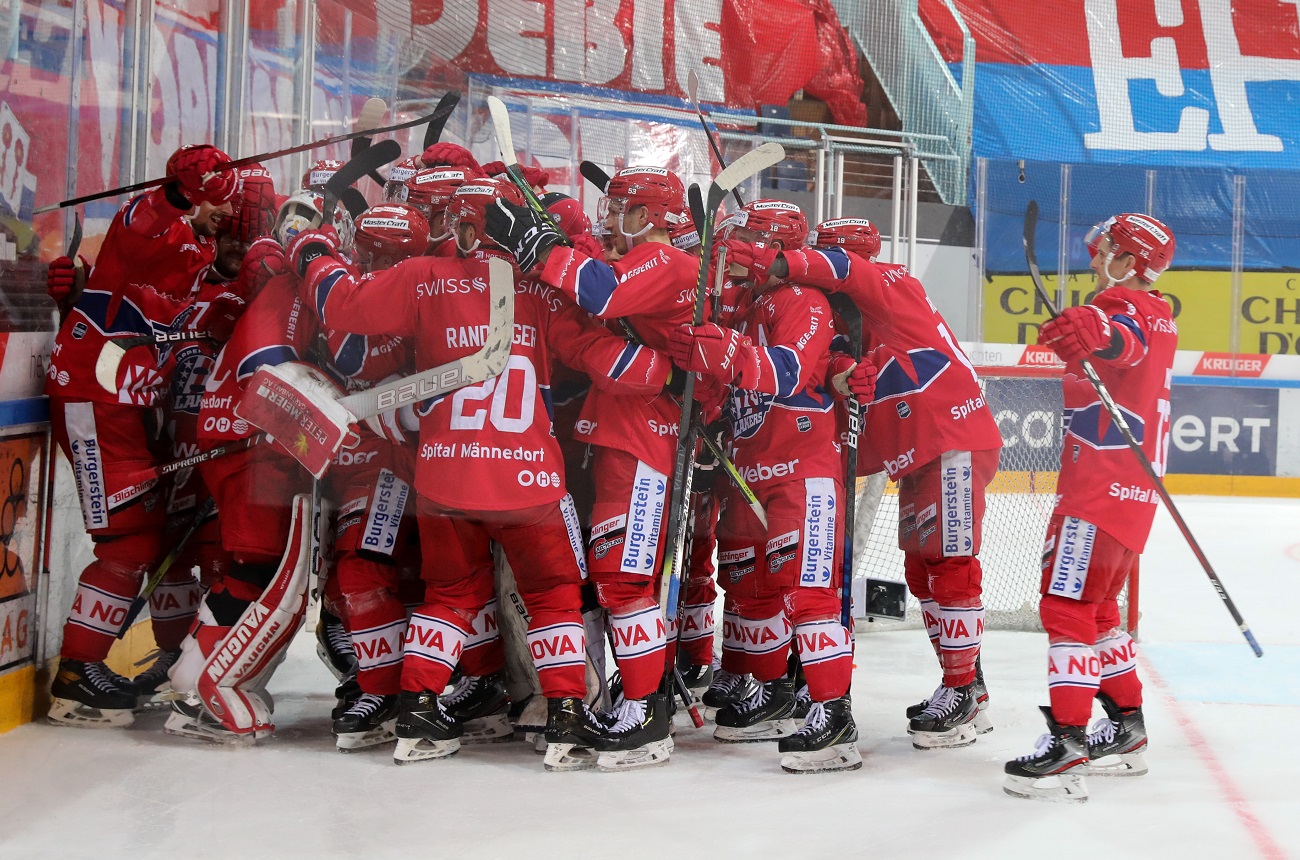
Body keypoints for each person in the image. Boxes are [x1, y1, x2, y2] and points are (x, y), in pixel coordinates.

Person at [297, 177, 680, 770]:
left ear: (464, 225)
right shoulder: (537, 287)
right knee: (553, 596)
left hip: (444, 478)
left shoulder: (423, 276)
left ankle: (419, 709)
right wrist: (675, 371)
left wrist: (314, 251)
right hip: (528, 480)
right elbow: (611, 362)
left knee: (449, 593)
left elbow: (343, 305)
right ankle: (565, 718)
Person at [738, 219, 1004, 750]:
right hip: (921, 453)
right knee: (922, 569)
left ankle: (964, 689)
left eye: (824, 254)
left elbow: (842, 269)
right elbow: (844, 368)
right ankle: (966, 682)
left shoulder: (887, 280)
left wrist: (781, 262)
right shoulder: (849, 316)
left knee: (949, 566)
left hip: (949, 437)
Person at [483, 166, 701, 770]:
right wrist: (547, 272)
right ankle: (636, 703)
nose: (609, 220)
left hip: (646, 442)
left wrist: (543, 245)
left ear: (649, 216)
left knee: (628, 583)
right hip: (620, 437)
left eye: (620, 209)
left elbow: (600, 292)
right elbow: (584, 332)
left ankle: (647, 715)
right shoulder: (639, 267)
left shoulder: (666, 262)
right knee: (613, 578)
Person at [44, 143, 239, 728]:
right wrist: (177, 192)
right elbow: (142, 223)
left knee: (146, 540)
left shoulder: (198, 252)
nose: (226, 214)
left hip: (122, 408)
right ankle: (77, 677)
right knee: (127, 544)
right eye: (216, 199)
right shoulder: (151, 221)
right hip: (92, 396)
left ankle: (111, 665)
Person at [670, 200, 866, 773]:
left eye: (750, 239)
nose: (735, 248)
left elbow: (785, 370)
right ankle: (770, 690)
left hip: (804, 474)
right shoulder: (749, 306)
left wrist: (723, 350)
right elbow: (728, 389)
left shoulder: (803, 300)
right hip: (753, 472)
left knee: (808, 595)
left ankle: (834, 716)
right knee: (754, 587)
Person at [1003, 213, 1176, 803]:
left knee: (1066, 608)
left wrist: (1096, 331)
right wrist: (1094, 337)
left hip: (1098, 494)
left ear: (1130, 261)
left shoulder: (1125, 306)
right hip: (1129, 498)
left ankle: (1069, 739)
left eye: (1106, 248)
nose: (1095, 254)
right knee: (1099, 612)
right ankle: (1126, 729)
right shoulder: (1158, 313)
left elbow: (1120, 337)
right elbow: (1122, 345)